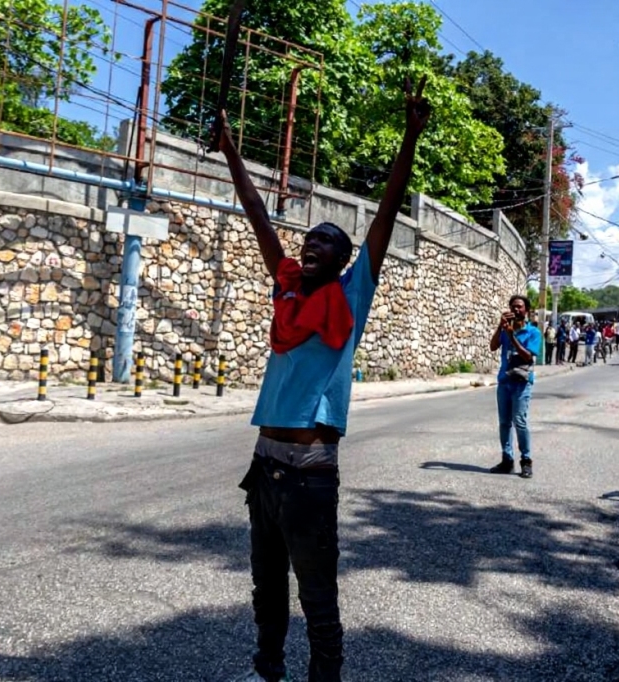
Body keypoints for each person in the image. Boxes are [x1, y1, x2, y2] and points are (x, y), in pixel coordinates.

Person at [219, 81, 430, 682]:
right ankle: (268, 664)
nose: (312, 246)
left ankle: (326, 676)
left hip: (310, 473)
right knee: (266, 584)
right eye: (309, 239)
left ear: (343, 261)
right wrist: (233, 152)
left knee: (317, 591)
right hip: (264, 464)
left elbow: (384, 220)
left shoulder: (349, 297)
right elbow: (258, 215)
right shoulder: (286, 287)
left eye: (326, 244)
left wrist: (410, 138)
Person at [489, 295, 543, 479]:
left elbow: (528, 357)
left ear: (526, 310)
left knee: (519, 422)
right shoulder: (505, 330)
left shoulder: (533, 332)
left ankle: (526, 461)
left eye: (519, 307)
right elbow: (492, 346)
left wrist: (512, 336)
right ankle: (507, 460)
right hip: (504, 382)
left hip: (521, 383)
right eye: (513, 307)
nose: (516, 310)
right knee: (504, 423)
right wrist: (500, 326)